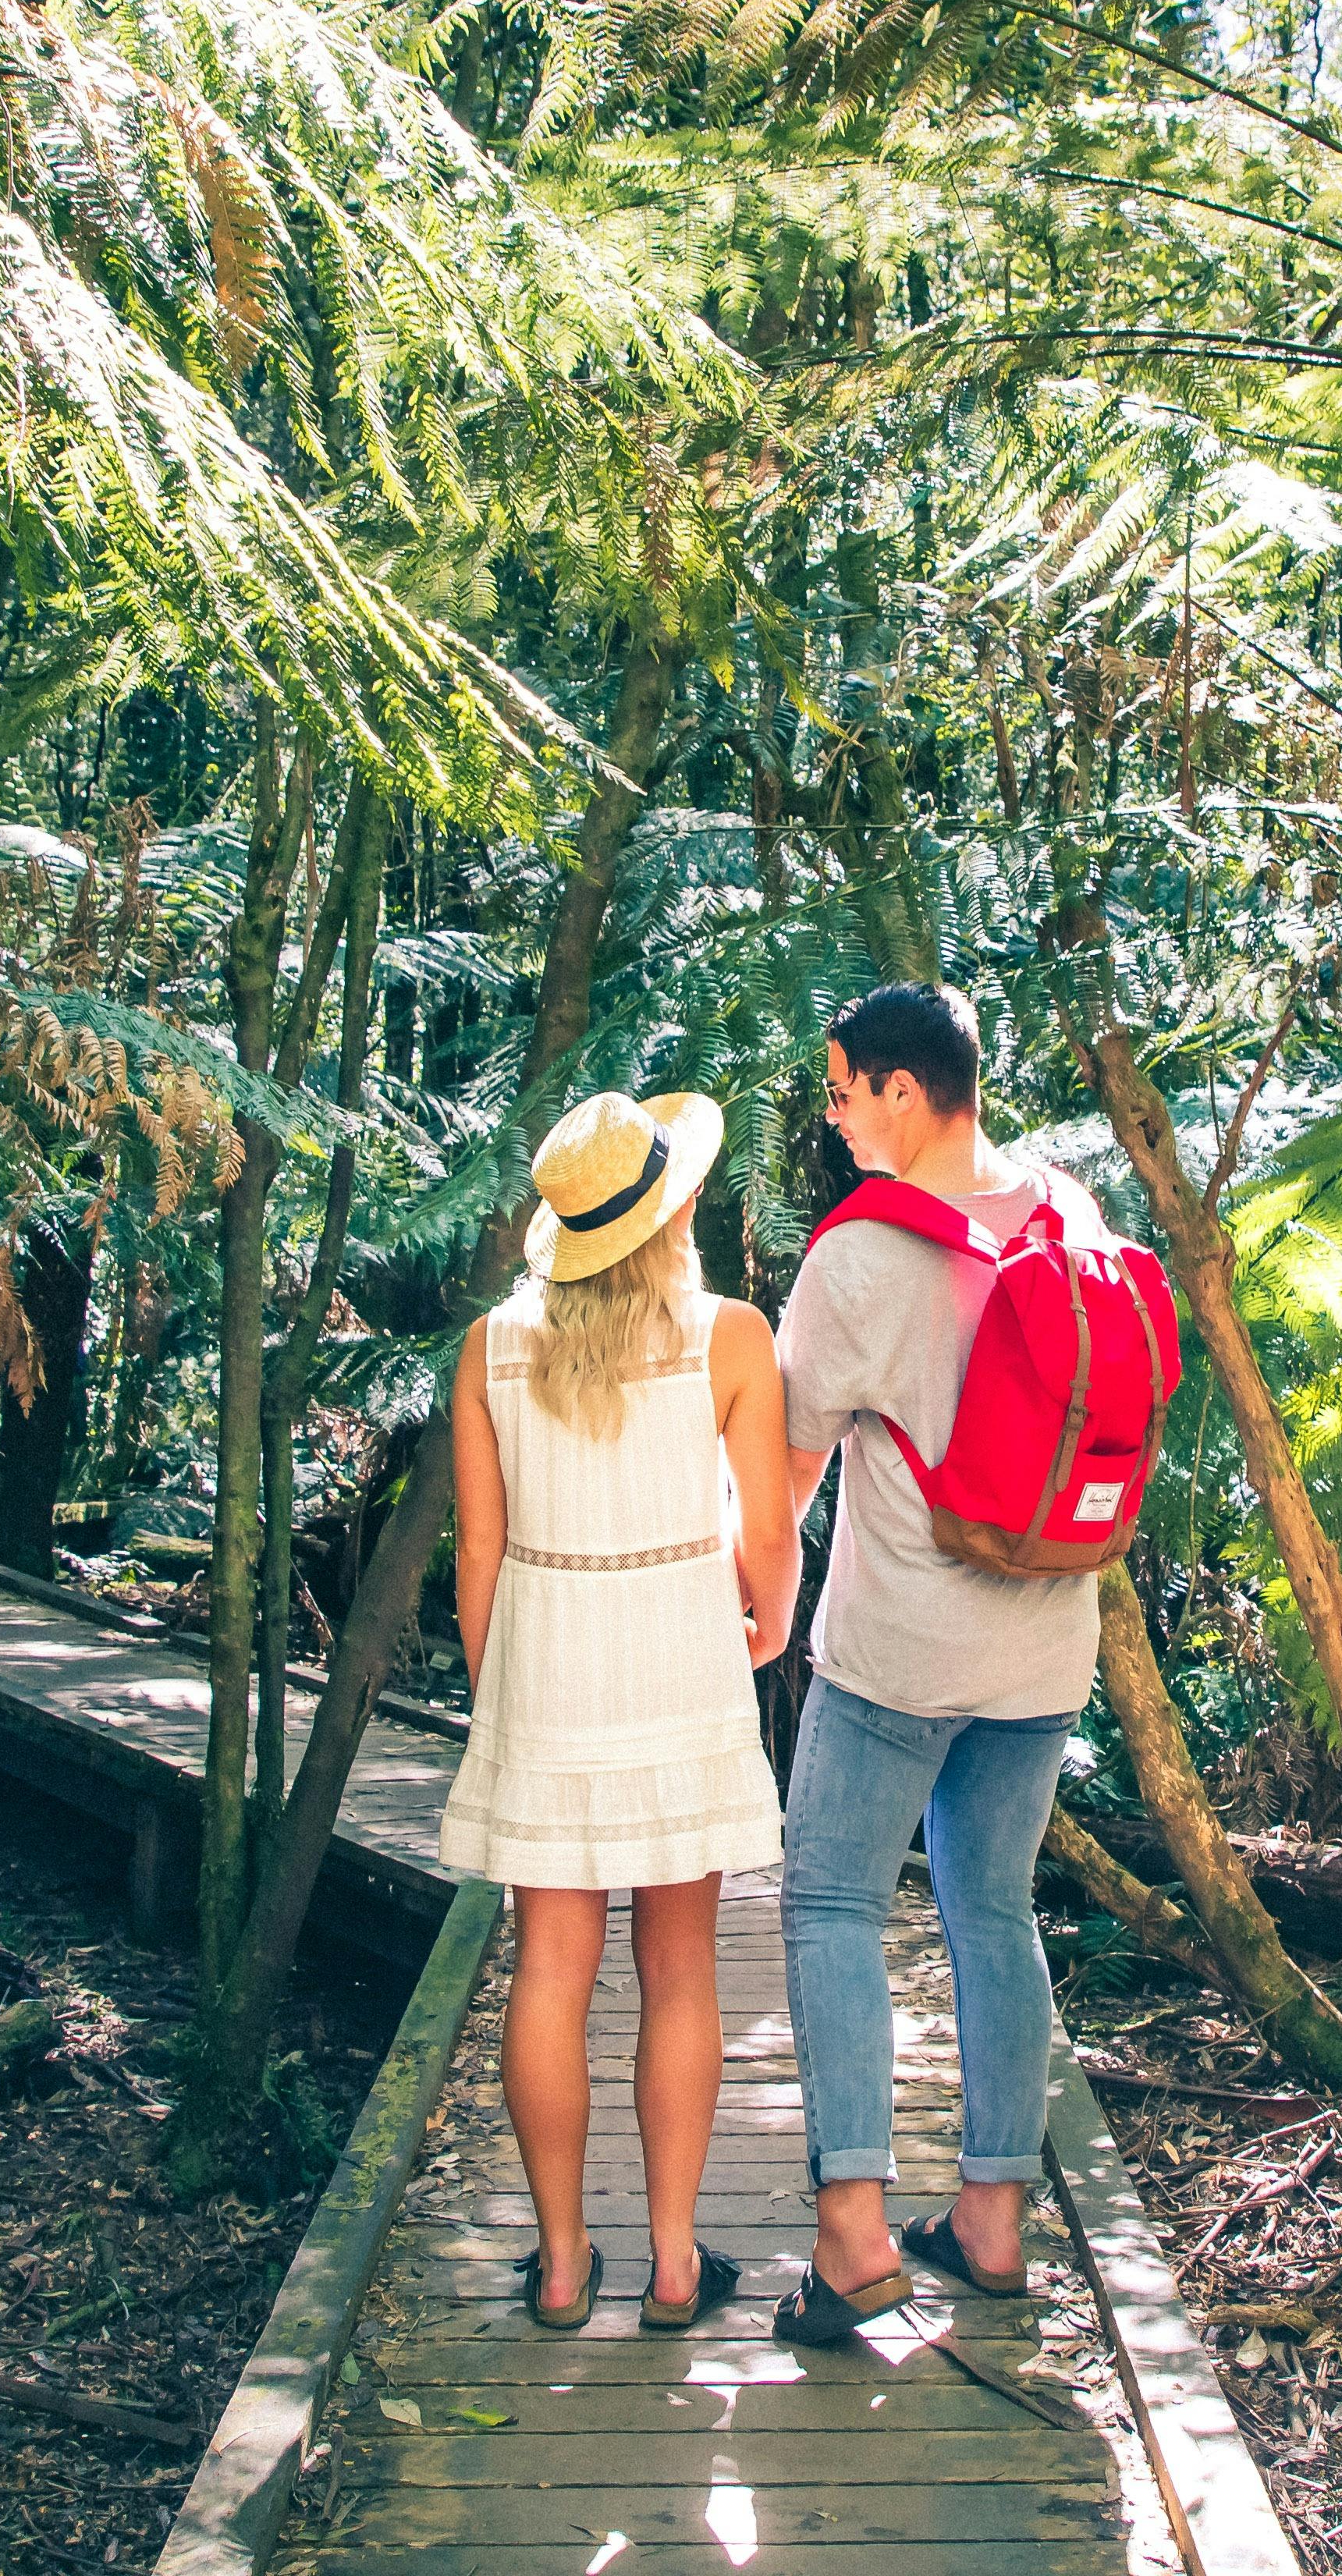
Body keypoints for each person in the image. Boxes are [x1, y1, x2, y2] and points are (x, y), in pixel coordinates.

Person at [767, 982, 1108, 2347]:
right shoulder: (1069, 1210)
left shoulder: (855, 1258)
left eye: (845, 1091)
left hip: (898, 1653)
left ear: (905, 1090)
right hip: (1043, 1650)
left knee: (832, 1904)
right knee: (993, 1913)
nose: (836, 1117)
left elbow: (789, 1465)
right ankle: (990, 2222)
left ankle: (853, 2237)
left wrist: (754, 1605)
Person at [434, 1091, 798, 2332]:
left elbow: (478, 1555)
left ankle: (558, 2261)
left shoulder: (491, 1348)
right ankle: (679, 2262)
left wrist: (501, 1700)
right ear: (673, 1208)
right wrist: (770, 1619)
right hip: (681, 1670)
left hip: (550, 1674)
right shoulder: (733, 1336)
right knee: (681, 1968)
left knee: (550, 1969)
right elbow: (766, 1530)